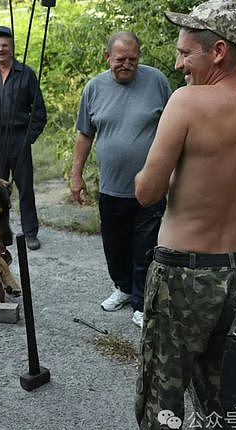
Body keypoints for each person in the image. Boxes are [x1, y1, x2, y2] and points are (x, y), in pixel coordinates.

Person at [133, 1, 236, 430]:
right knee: (222, 395)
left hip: (184, 273)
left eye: (186, 53)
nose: (179, 63)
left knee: (163, 397)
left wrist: (147, 171)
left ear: (218, 51)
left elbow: (147, 192)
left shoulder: (186, 102)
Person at [70, 31, 171, 327]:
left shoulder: (157, 81)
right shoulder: (94, 88)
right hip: (112, 187)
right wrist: (76, 174)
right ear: (107, 58)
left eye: (133, 59)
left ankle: (141, 302)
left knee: (145, 247)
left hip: (150, 188)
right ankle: (123, 289)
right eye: (120, 59)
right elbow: (85, 133)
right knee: (115, 245)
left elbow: (173, 129)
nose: (126, 65)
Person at [0, 25, 47, 250]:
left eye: (5, 45)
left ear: (12, 48)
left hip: (19, 138)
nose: (1, 49)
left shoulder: (27, 74)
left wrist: (29, 138)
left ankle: (30, 232)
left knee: (25, 188)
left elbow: (39, 110)